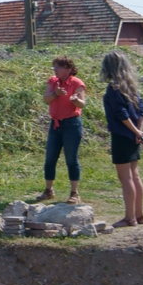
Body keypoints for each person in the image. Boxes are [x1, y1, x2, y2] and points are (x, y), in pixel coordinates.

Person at [101, 51, 143, 226]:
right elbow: (142, 111)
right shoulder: (132, 88)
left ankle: (130, 217)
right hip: (133, 136)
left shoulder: (113, 89)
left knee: (126, 178)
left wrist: (136, 132)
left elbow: (121, 114)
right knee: (135, 175)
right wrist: (139, 132)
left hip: (122, 135)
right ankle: (140, 215)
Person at [39, 55, 85, 203]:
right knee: (50, 159)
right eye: (54, 67)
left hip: (72, 125)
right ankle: (48, 190)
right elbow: (46, 99)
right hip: (55, 124)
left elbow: (82, 104)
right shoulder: (53, 81)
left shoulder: (77, 83)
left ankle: (74, 193)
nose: (55, 70)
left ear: (68, 69)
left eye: (58, 67)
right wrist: (55, 93)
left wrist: (75, 100)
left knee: (71, 159)